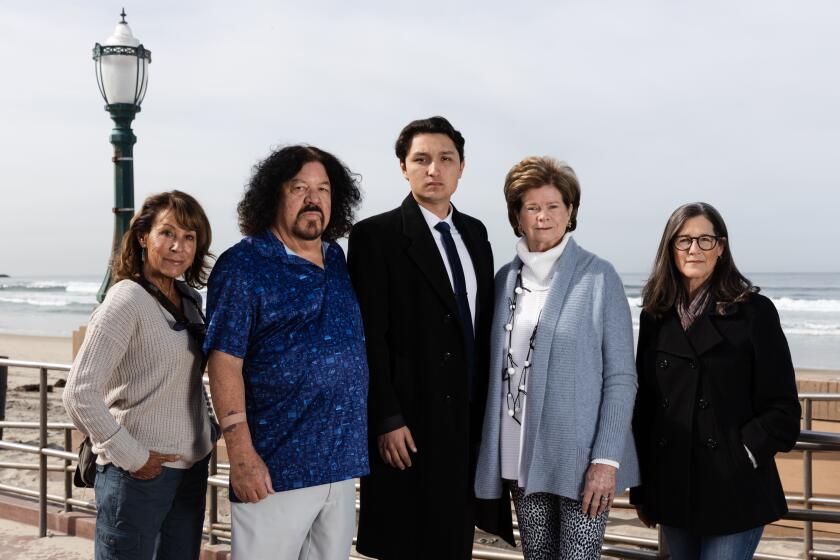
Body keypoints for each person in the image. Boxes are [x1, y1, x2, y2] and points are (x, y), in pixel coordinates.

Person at [348, 116, 510, 559]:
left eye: (445, 159)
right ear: (403, 167)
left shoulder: (475, 232)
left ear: (461, 167)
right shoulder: (374, 236)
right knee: (405, 541)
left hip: (466, 422)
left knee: (454, 542)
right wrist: (385, 419)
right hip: (408, 423)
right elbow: (368, 338)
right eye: (421, 160)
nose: (433, 169)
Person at [203, 145, 368, 560]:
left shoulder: (338, 259)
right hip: (274, 469)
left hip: (340, 466)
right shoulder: (243, 266)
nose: (313, 199)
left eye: (324, 189)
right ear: (274, 196)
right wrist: (240, 456)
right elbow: (224, 361)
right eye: (300, 188)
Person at [474, 157, 639, 559]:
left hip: (580, 462)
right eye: (532, 207)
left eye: (553, 207)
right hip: (519, 459)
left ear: (570, 213)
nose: (543, 217)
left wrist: (606, 459)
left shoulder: (600, 277)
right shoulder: (503, 280)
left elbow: (620, 377)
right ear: (517, 216)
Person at [630, 202, 800, 559]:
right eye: (684, 240)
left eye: (705, 240)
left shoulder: (754, 312)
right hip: (672, 487)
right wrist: (642, 489)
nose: (694, 249)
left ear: (721, 248)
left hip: (734, 489)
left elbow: (783, 410)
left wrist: (741, 455)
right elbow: (644, 406)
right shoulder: (655, 315)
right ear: (670, 249)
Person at [63, 190, 215, 560]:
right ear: (144, 236)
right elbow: (78, 393)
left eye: (189, 237)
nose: (178, 246)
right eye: (168, 233)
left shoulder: (190, 299)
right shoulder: (126, 300)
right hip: (137, 476)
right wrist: (132, 456)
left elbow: (188, 377)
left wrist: (209, 427)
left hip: (190, 471)